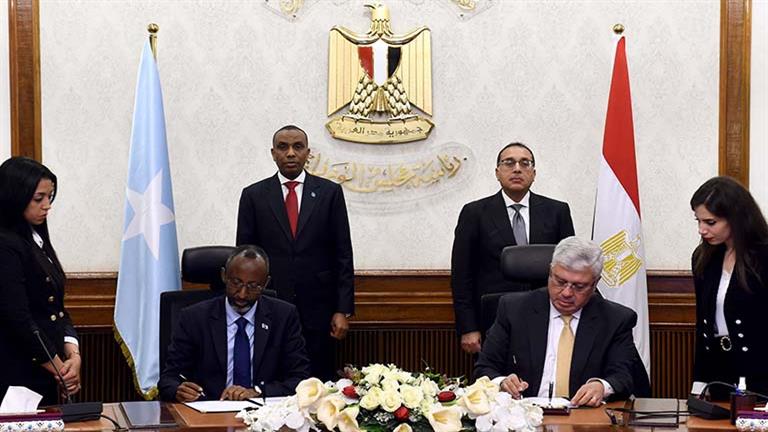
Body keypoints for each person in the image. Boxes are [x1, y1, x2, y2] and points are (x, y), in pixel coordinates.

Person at [236, 125, 354, 380]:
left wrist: (342, 310)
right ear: (273, 153)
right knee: (272, 380)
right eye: (283, 147)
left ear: (308, 153)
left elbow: (343, 254)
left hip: (319, 310)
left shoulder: (329, 193)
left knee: (317, 381)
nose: (290, 153)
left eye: (297, 147)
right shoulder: (254, 195)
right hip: (269, 305)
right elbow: (244, 258)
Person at [474, 237, 636, 407]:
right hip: (522, 413)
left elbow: (624, 376)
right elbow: (484, 368)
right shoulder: (513, 309)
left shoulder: (615, 320)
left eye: (579, 286)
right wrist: (501, 382)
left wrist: (601, 386)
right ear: (550, 272)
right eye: (560, 282)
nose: (567, 293)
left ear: (595, 283)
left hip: (582, 415)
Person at [451, 142, 575, 354]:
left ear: (533, 173)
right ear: (497, 172)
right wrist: (468, 327)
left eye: (525, 163)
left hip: (548, 316)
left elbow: (570, 268)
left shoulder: (557, 211)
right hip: (493, 319)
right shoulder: (475, 213)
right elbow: (462, 276)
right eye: (509, 163)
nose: (517, 169)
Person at [158, 245, 311, 401]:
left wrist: (258, 392)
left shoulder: (284, 316)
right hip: (208, 409)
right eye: (236, 283)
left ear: (265, 283)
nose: (242, 294)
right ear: (224, 276)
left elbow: (301, 379)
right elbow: (168, 379)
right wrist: (178, 390)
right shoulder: (194, 318)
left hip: (262, 411)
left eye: (252, 286)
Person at [0, 157, 81, 405]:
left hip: (45, 370)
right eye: (39, 198)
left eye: (50, 196)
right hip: (15, 375)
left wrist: (73, 354)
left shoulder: (35, 238)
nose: (47, 206)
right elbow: (18, 318)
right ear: (15, 196)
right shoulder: (5, 244)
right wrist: (59, 368)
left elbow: (55, 308)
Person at [690, 176, 768, 399]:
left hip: (761, 372)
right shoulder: (703, 258)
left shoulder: (763, 257)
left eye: (710, 222)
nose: (702, 230)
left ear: (735, 218)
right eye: (698, 221)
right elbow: (703, 324)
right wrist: (699, 382)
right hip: (719, 371)